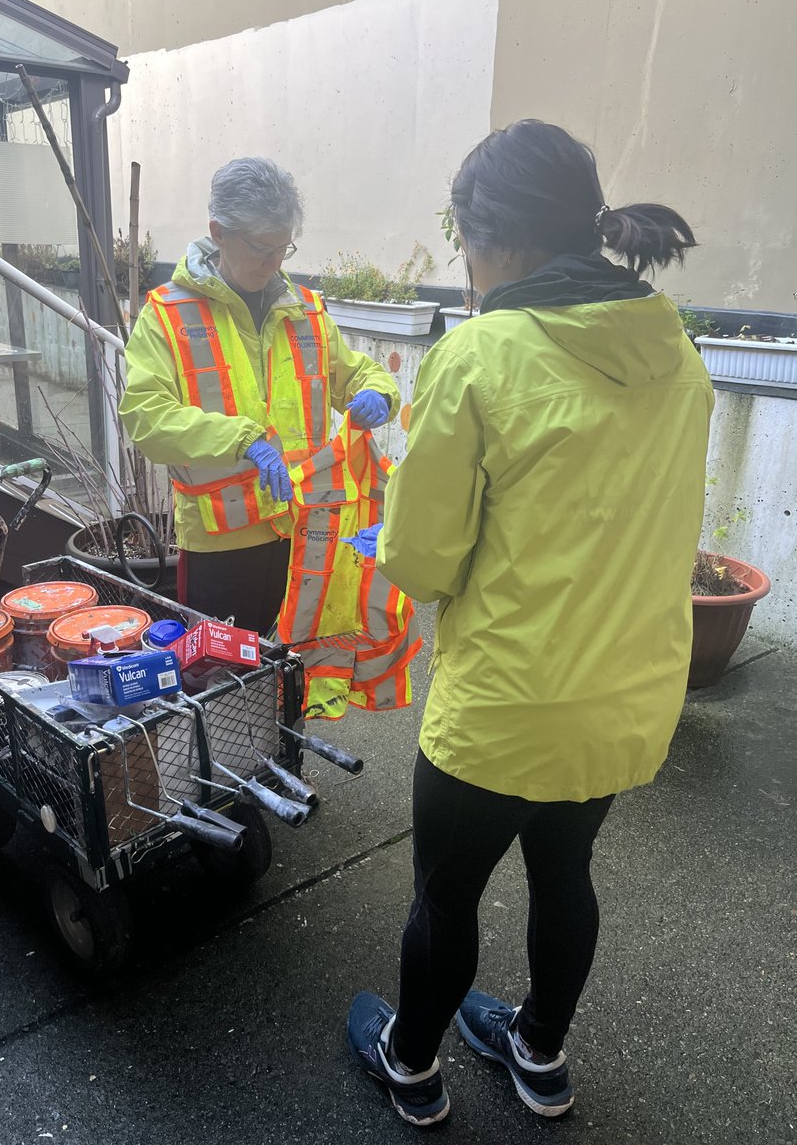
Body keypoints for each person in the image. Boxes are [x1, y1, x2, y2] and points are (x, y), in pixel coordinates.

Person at [347, 120, 713, 1127]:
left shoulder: (481, 356)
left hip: (504, 709)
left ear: (491, 239)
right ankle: (539, 1053)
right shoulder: (675, 347)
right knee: (566, 874)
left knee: (445, 897)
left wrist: (392, 526)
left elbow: (422, 562)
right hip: (627, 698)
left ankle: (411, 1067)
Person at [119, 157, 399, 633]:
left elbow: (353, 374)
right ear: (218, 232)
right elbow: (146, 418)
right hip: (220, 543)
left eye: (283, 248)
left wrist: (380, 392)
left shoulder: (304, 311)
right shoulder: (168, 314)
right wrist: (243, 439)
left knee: (297, 669)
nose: (272, 264)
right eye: (259, 248)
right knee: (224, 683)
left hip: (306, 530)